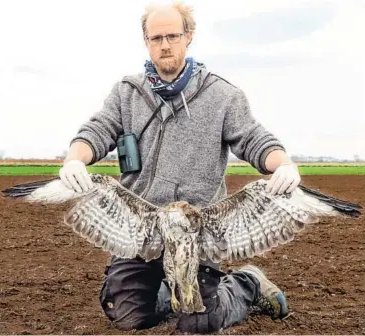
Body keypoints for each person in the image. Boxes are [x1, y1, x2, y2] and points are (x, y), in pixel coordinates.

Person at [59, 2, 301, 333]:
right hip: (141, 228)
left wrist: (283, 164)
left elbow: (254, 140)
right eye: (156, 37)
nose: (165, 44)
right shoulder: (127, 93)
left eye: (172, 35)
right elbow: (98, 132)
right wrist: (75, 158)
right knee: (128, 316)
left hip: (197, 232)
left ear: (188, 37)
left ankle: (247, 284)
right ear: (146, 41)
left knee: (199, 323)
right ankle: (162, 286)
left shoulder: (222, 96)